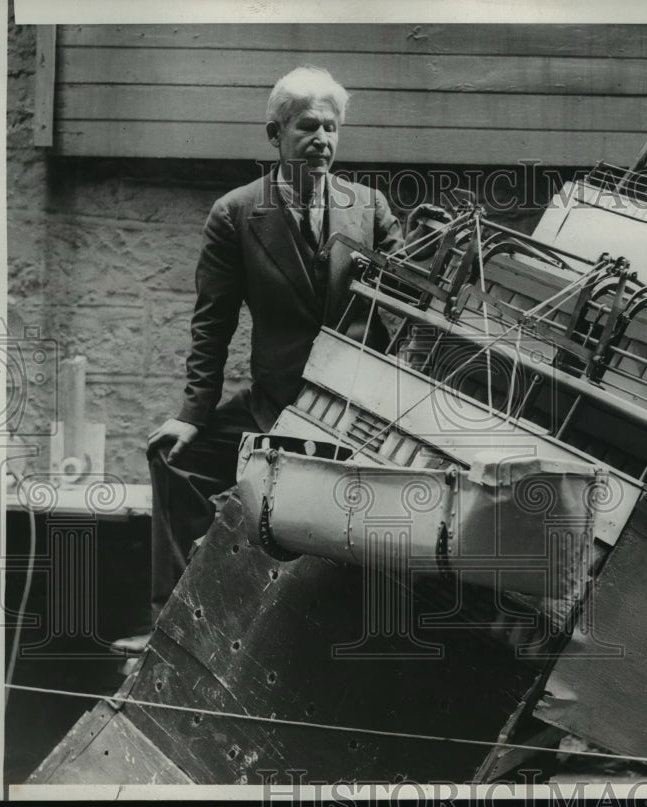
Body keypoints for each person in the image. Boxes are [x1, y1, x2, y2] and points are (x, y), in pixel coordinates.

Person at [112, 65, 417, 654]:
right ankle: (172, 628)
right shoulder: (235, 214)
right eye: (308, 126)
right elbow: (213, 321)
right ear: (274, 133)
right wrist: (192, 412)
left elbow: (409, 303)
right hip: (274, 405)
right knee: (176, 459)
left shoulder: (370, 208)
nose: (322, 139)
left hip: (353, 412)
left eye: (332, 127)